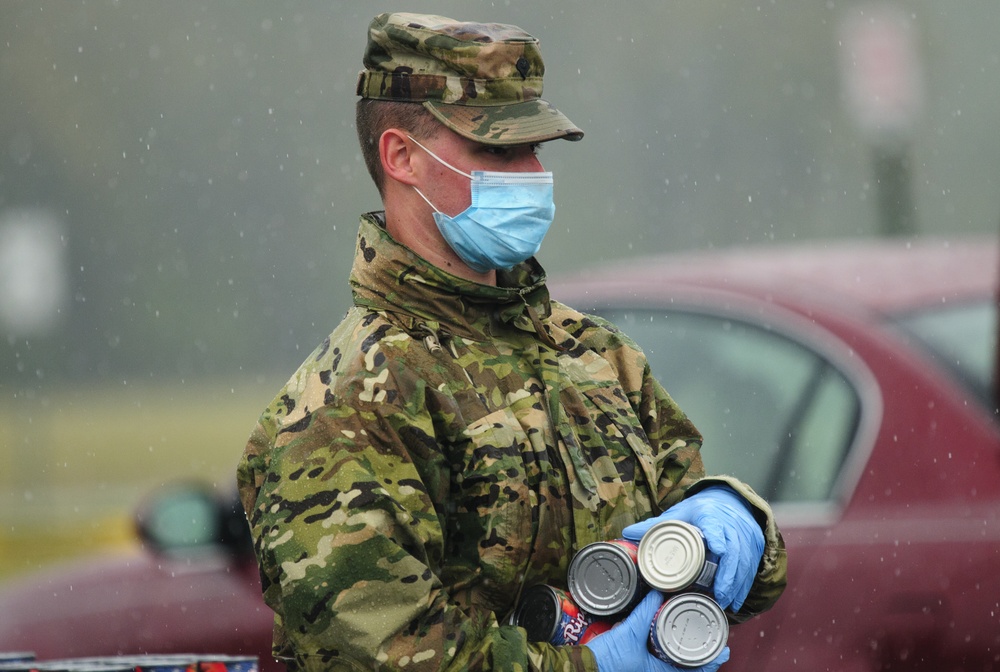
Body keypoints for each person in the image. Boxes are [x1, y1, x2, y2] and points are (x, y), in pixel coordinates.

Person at [237, 12, 787, 672]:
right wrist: (594, 668)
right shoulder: (348, 403)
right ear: (402, 156)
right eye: (498, 151)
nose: (530, 173)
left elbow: (711, 569)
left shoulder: (593, 354)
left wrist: (737, 521)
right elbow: (389, 655)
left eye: (536, 150)